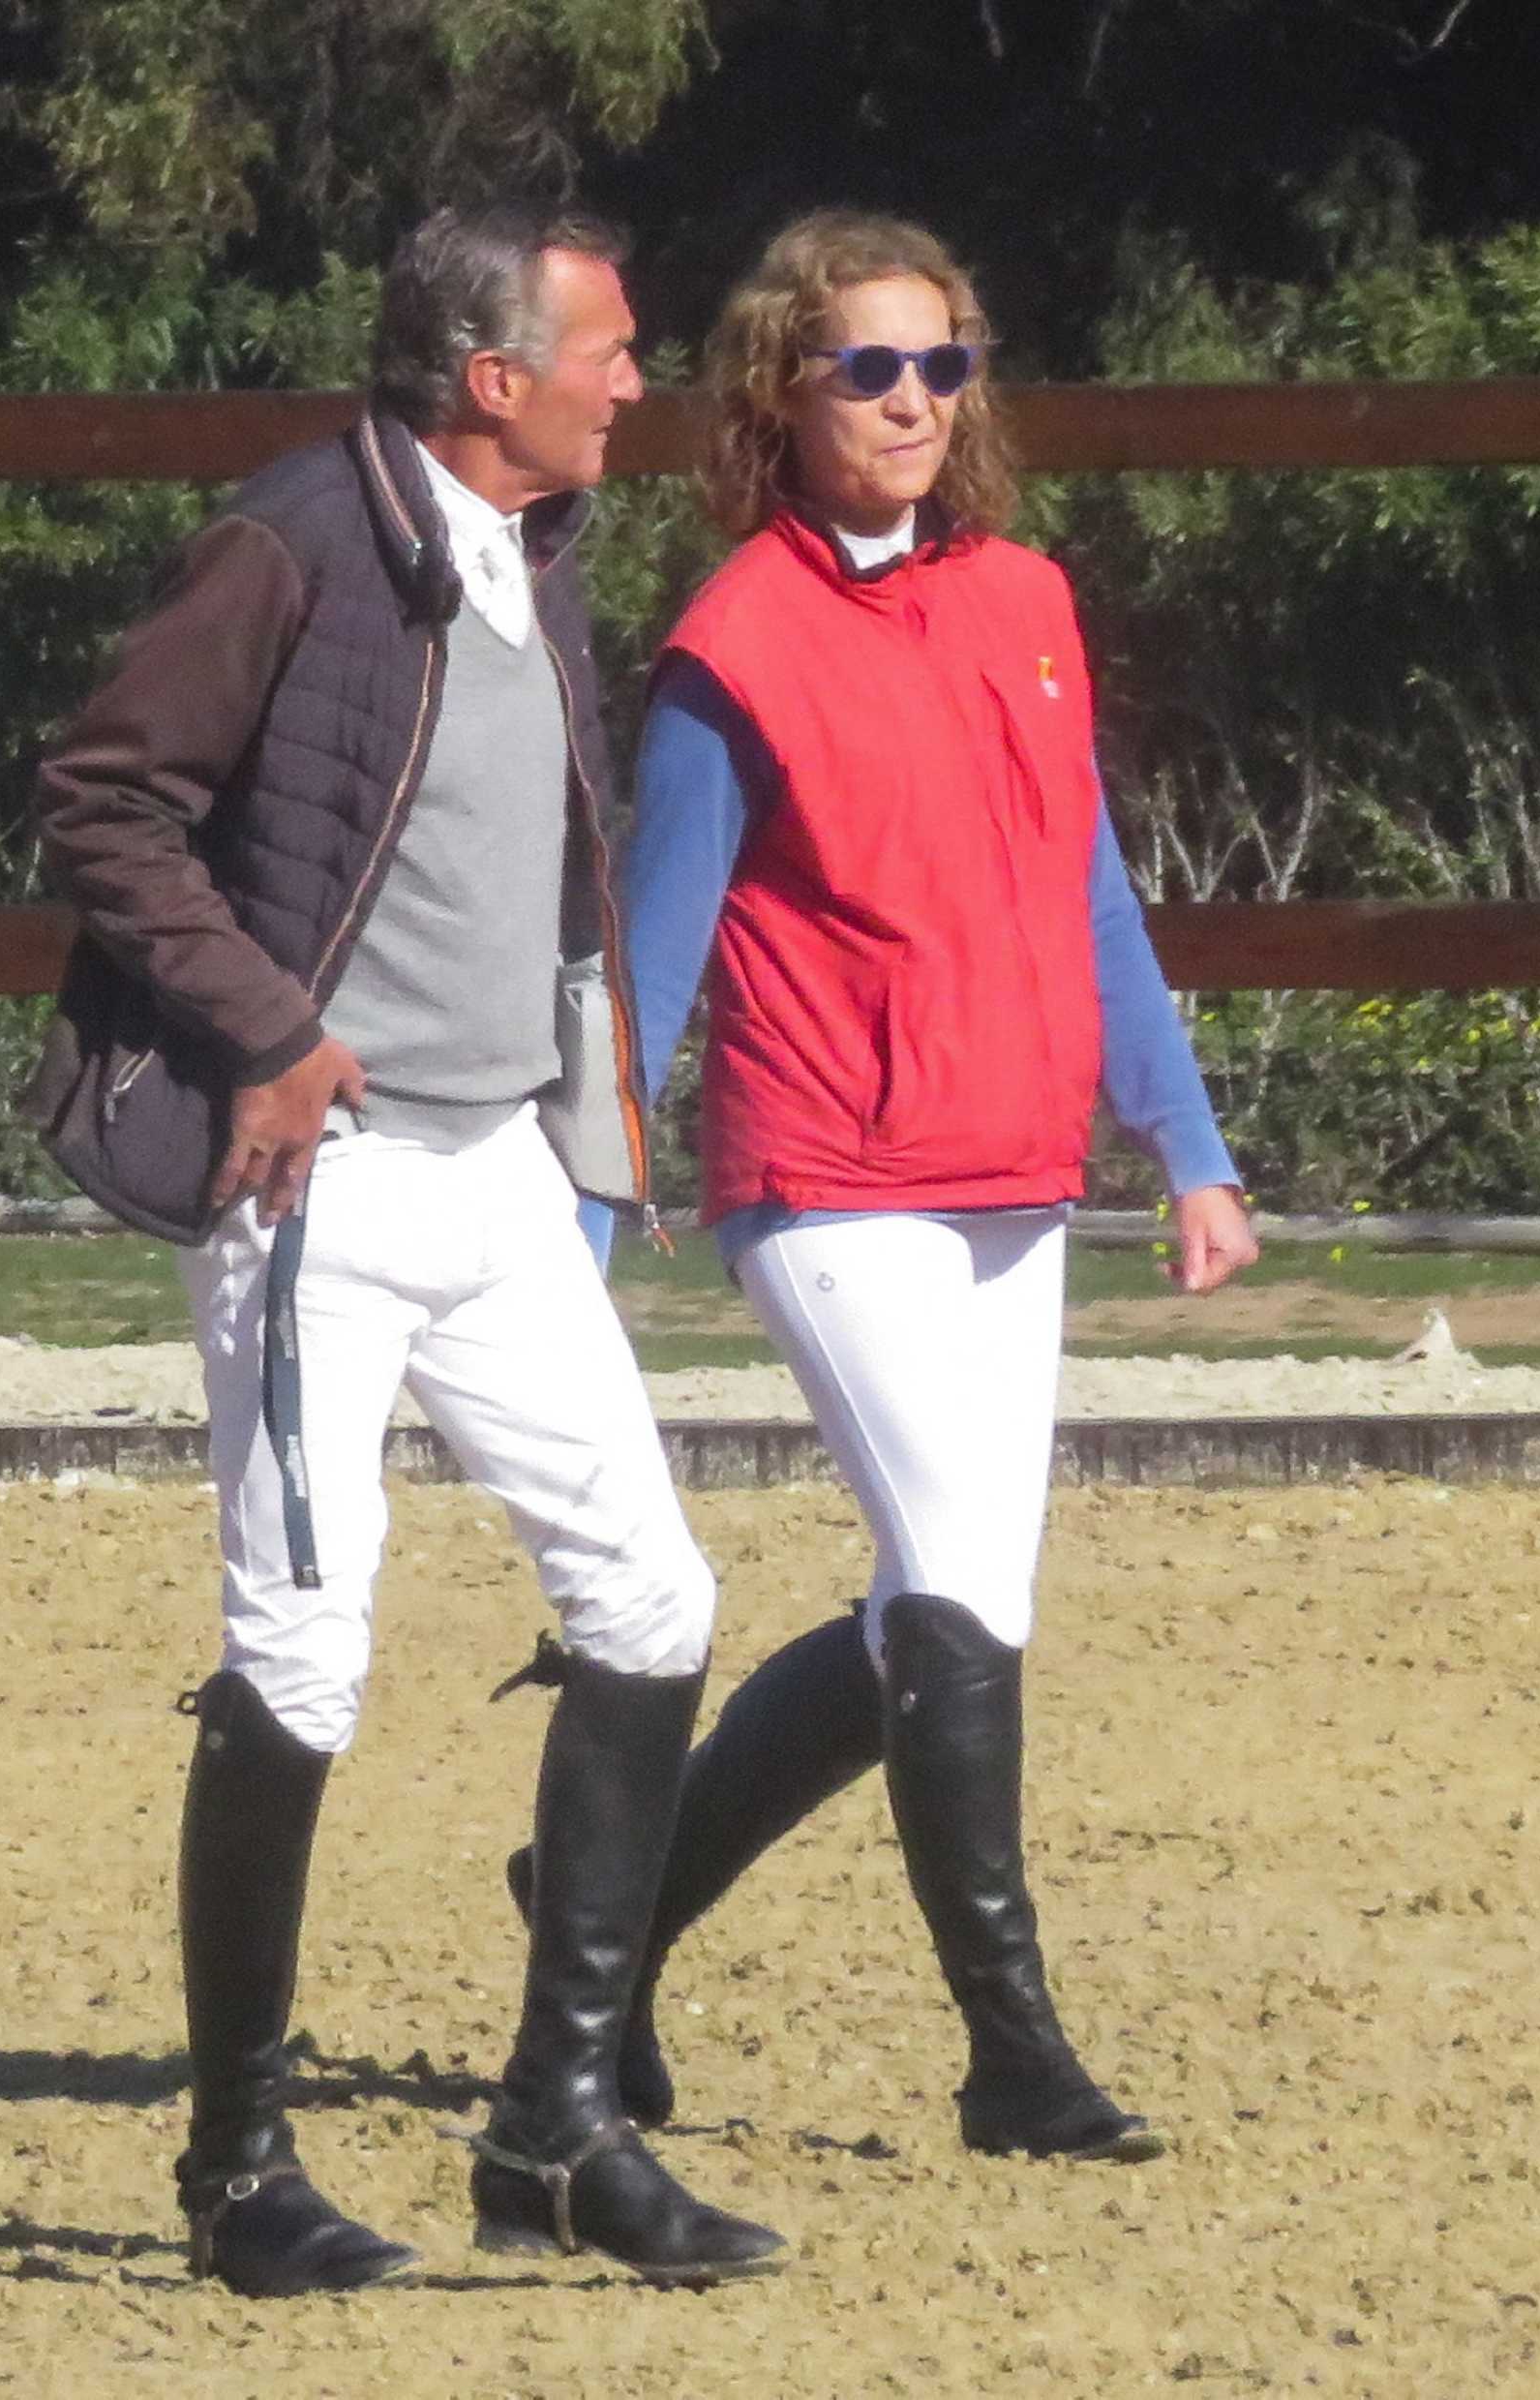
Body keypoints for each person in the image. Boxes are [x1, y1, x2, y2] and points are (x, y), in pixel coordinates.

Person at [25, 202, 785, 2296]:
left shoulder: (537, 552)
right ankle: (235, 2172)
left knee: (652, 1598)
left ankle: (553, 2131)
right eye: (608, 348)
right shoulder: (290, 541)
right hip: (322, 1186)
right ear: (492, 378)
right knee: (302, 1654)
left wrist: (585, 1094)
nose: (637, 380)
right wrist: (269, 1029)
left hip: (498, 1173)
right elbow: (102, 800)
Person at [509, 209, 1258, 2165]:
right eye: (872, 366)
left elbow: (1094, 893)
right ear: (786, 390)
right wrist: (578, 1231)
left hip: (1015, 1169)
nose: (915, 399)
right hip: (831, 1175)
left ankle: (601, 1906)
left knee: (944, 1610)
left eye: (944, 362)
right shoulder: (731, 650)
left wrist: (1186, 1142)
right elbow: (653, 958)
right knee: (953, 1606)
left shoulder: (1028, 599)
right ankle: (1016, 2053)